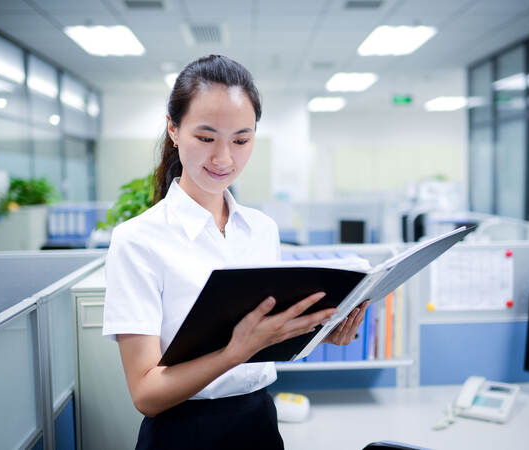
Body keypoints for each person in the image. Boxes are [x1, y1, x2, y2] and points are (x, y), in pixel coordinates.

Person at [102, 54, 369, 450]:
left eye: (241, 140)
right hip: (182, 433)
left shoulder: (261, 230)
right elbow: (145, 394)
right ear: (174, 130)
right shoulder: (138, 240)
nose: (224, 158)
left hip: (258, 423)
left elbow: (261, 339)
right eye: (206, 138)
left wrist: (314, 331)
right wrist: (236, 351)